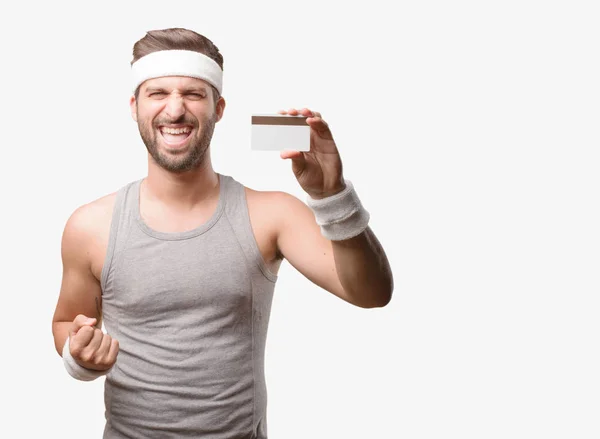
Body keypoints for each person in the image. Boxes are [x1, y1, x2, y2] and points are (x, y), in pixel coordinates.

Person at [51, 27, 394, 438]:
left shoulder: (271, 214)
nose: (175, 110)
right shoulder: (90, 225)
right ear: (134, 106)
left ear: (219, 108)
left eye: (194, 94)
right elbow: (68, 321)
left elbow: (373, 294)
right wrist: (79, 355)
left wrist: (332, 196)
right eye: (157, 93)